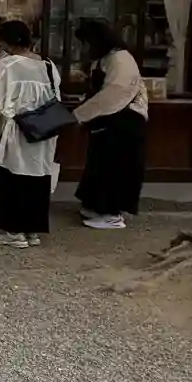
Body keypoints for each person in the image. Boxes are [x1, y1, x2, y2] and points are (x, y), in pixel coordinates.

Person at [0, 19, 60, 247]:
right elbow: (56, 98)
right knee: (38, 176)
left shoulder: (6, 66)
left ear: (5, 42)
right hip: (44, 131)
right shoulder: (49, 65)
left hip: (16, 130)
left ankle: (13, 231)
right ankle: (32, 230)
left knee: (12, 176)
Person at [71, 19, 148, 229]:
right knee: (98, 164)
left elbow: (112, 95)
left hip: (124, 122)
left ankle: (111, 214)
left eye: (84, 43)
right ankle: (95, 206)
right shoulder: (105, 58)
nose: (83, 48)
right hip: (108, 121)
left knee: (114, 169)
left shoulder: (120, 59)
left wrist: (79, 115)